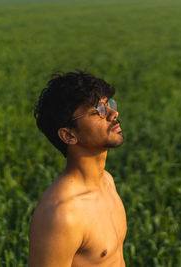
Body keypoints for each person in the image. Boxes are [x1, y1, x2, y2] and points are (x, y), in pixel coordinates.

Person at [29, 71, 127, 267]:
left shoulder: (107, 181)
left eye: (109, 104)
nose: (112, 114)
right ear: (68, 135)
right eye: (97, 110)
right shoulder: (62, 214)